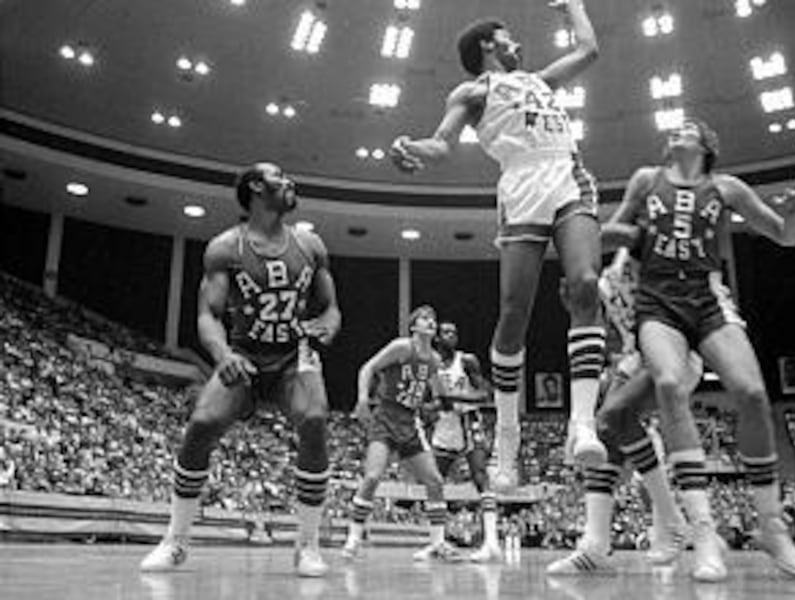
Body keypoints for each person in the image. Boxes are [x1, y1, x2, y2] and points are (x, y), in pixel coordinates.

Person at [389, 0, 607, 489]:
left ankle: (582, 423)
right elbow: (443, 143)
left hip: (568, 175)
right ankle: (506, 439)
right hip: (522, 187)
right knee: (514, 314)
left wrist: (573, 7)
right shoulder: (472, 91)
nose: (517, 43)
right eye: (508, 37)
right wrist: (415, 150)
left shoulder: (540, 80)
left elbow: (590, 49)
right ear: (489, 44)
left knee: (586, 283)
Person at [605, 118, 795, 581]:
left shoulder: (726, 187)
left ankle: (772, 529)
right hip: (656, 301)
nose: (679, 130)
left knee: (752, 394)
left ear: (707, 144)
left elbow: (784, 235)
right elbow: (614, 230)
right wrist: (622, 239)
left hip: (708, 297)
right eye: (675, 128)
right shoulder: (644, 179)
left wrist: (794, 211)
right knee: (670, 383)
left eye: (689, 127)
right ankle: (704, 533)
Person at [140, 163, 341, 577]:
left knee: (316, 420)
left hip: (293, 355)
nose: (290, 181)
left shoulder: (310, 244)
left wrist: (328, 326)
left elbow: (331, 307)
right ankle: (175, 540)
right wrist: (221, 355)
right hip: (245, 352)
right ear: (255, 186)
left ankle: (308, 545)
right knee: (201, 423)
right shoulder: (225, 248)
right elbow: (207, 315)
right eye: (280, 176)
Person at [547, 248, 698, 576]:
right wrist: (578, 304)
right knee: (604, 434)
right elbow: (605, 330)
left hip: (675, 352)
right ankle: (595, 545)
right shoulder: (607, 283)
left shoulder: (664, 263)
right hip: (636, 359)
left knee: (612, 416)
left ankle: (672, 519)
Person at [342, 306, 461, 562]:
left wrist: (442, 404)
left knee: (435, 482)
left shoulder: (434, 361)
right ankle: (353, 538)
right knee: (373, 476)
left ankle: (437, 543)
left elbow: (440, 395)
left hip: (410, 421)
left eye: (433, 318)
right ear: (413, 326)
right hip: (386, 416)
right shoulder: (402, 347)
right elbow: (368, 367)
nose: (431, 322)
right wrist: (363, 399)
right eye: (425, 318)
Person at [431, 321, 501, 562]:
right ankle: (436, 542)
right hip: (444, 424)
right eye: (446, 332)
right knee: (434, 481)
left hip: (469, 420)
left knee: (480, 476)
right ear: (437, 338)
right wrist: (433, 407)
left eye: (454, 332)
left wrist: (454, 396)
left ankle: (491, 542)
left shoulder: (467, 361)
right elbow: (431, 400)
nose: (451, 336)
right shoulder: (431, 365)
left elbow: (485, 394)